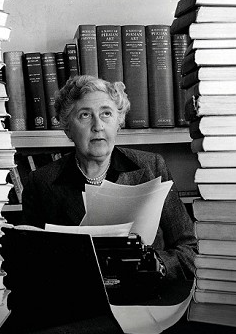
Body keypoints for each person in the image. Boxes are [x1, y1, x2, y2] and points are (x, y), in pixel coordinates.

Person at [21, 75, 197, 281]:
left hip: (146, 294)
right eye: (85, 115)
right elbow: (29, 263)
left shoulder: (152, 167)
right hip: (79, 297)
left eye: (106, 113)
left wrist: (156, 264)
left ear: (118, 122)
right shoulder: (41, 183)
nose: (98, 125)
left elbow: (190, 250)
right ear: (68, 128)